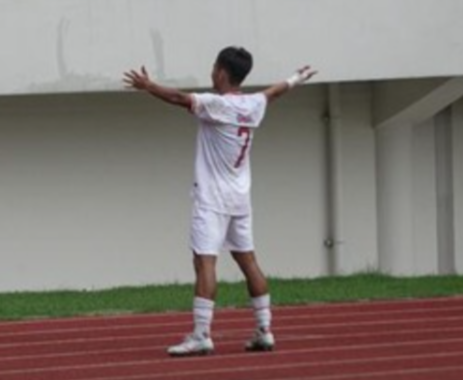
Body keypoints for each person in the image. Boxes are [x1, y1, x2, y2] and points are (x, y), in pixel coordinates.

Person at [123, 50, 317, 357]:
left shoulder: (217, 105)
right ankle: (264, 330)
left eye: (214, 68)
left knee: (205, 262)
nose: (212, 72)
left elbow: (178, 98)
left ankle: (201, 334)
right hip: (240, 198)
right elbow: (275, 92)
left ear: (222, 73)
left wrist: (148, 86)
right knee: (248, 261)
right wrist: (298, 77)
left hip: (211, 199)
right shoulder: (254, 104)